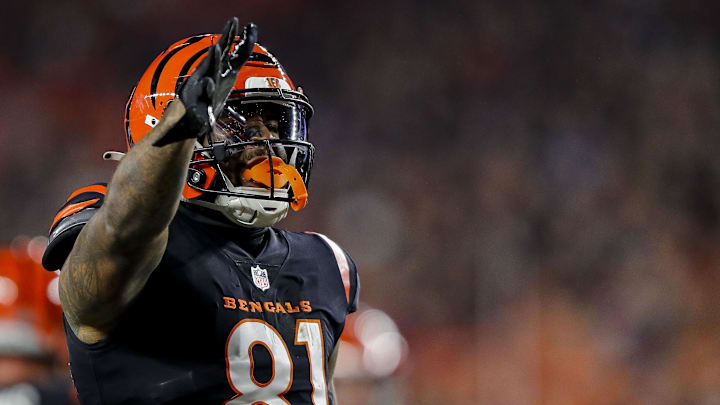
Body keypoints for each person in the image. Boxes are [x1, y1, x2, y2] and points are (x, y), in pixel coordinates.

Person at [40, 18, 359, 405]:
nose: (266, 143)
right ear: (164, 123)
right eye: (237, 123)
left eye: (274, 124)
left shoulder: (326, 262)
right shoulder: (120, 224)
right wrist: (180, 128)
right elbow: (117, 244)